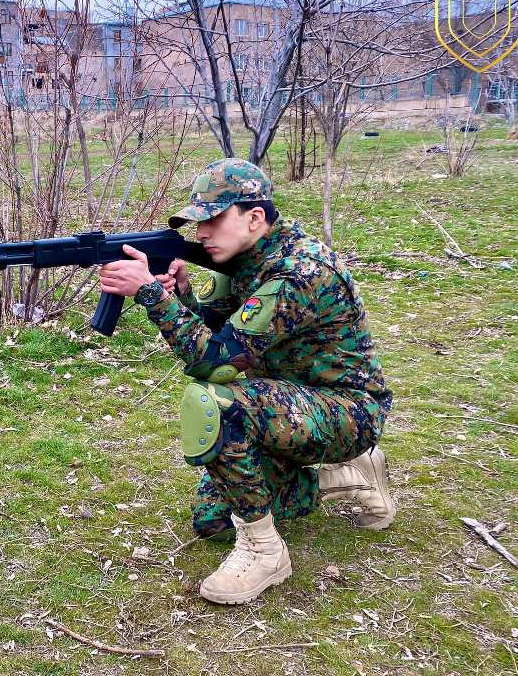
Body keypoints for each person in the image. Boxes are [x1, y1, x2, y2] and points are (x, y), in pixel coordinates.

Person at [98, 158, 394, 606]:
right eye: (197, 223)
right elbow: (221, 334)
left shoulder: (299, 273)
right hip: (286, 401)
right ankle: (349, 477)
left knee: (214, 402)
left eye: (212, 220)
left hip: (348, 410)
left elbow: (214, 366)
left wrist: (151, 296)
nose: (200, 233)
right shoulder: (239, 261)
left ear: (254, 217)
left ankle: (264, 551)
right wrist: (181, 296)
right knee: (211, 520)